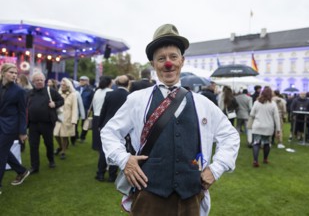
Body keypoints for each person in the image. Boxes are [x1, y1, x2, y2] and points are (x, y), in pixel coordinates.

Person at [101, 24, 240, 215]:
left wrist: (216, 169)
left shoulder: (203, 103)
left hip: (190, 198)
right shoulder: (137, 99)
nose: (168, 63)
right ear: (153, 64)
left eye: (173, 57)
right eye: (161, 59)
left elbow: (230, 136)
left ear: (182, 61)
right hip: (149, 198)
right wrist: (124, 160)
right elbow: (109, 132)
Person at [0, 63, 30, 195]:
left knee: (1, 154)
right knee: (4, 152)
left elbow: (23, 112)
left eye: (15, 73)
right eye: (11, 72)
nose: (14, 75)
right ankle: (21, 171)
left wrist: (22, 131)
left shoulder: (19, 91)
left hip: (10, 127)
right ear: (3, 72)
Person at [27, 72, 64, 173]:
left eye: (41, 80)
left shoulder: (50, 91)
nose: (39, 82)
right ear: (33, 82)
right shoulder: (29, 93)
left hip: (47, 123)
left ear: (44, 81)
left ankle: (51, 160)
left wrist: (55, 104)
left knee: (48, 143)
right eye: (37, 80)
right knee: (33, 145)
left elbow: (61, 100)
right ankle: (34, 166)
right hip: (33, 124)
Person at [96, 75, 130, 182]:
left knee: (104, 150)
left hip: (108, 124)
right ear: (128, 84)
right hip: (122, 127)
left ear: (117, 83)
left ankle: (100, 173)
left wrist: (100, 124)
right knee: (117, 149)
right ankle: (112, 175)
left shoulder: (110, 94)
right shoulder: (129, 96)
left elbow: (103, 111)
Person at [250, 86, 280, 167]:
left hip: (257, 126)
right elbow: (276, 117)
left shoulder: (256, 102)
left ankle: (255, 160)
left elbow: (252, 114)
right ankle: (265, 159)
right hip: (268, 127)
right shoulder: (273, 104)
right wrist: (278, 129)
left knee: (256, 143)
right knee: (267, 143)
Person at [90, 75, 113, 181]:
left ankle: (102, 165)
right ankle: (107, 165)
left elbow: (94, 106)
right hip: (105, 118)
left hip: (96, 118)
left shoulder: (97, 92)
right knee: (107, 144)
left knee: (100, 143)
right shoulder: (110, 92)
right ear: (110, 83)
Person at [53, 78, 78, 159]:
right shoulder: (58, 93)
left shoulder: (73, 94)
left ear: (68, 85)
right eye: (61, 85)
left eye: (64, 85)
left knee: (64, 135)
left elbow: (74, 108)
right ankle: (60, 147)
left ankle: (63, 151)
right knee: (56, 134)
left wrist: (74, 119)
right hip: (58, 116)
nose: (62, 86)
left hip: (68, 117)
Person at [76, 75, 94, 143]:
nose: (81, 81)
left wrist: (91, 109)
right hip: (76, 108)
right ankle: (76, 136)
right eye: (80, 80)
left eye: (83, 80)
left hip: (86, 108)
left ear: (87, 81)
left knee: (85, 124)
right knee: (75, 122)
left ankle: (82, 137)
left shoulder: (90, 89)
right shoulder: (76, 88)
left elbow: (92, 100)